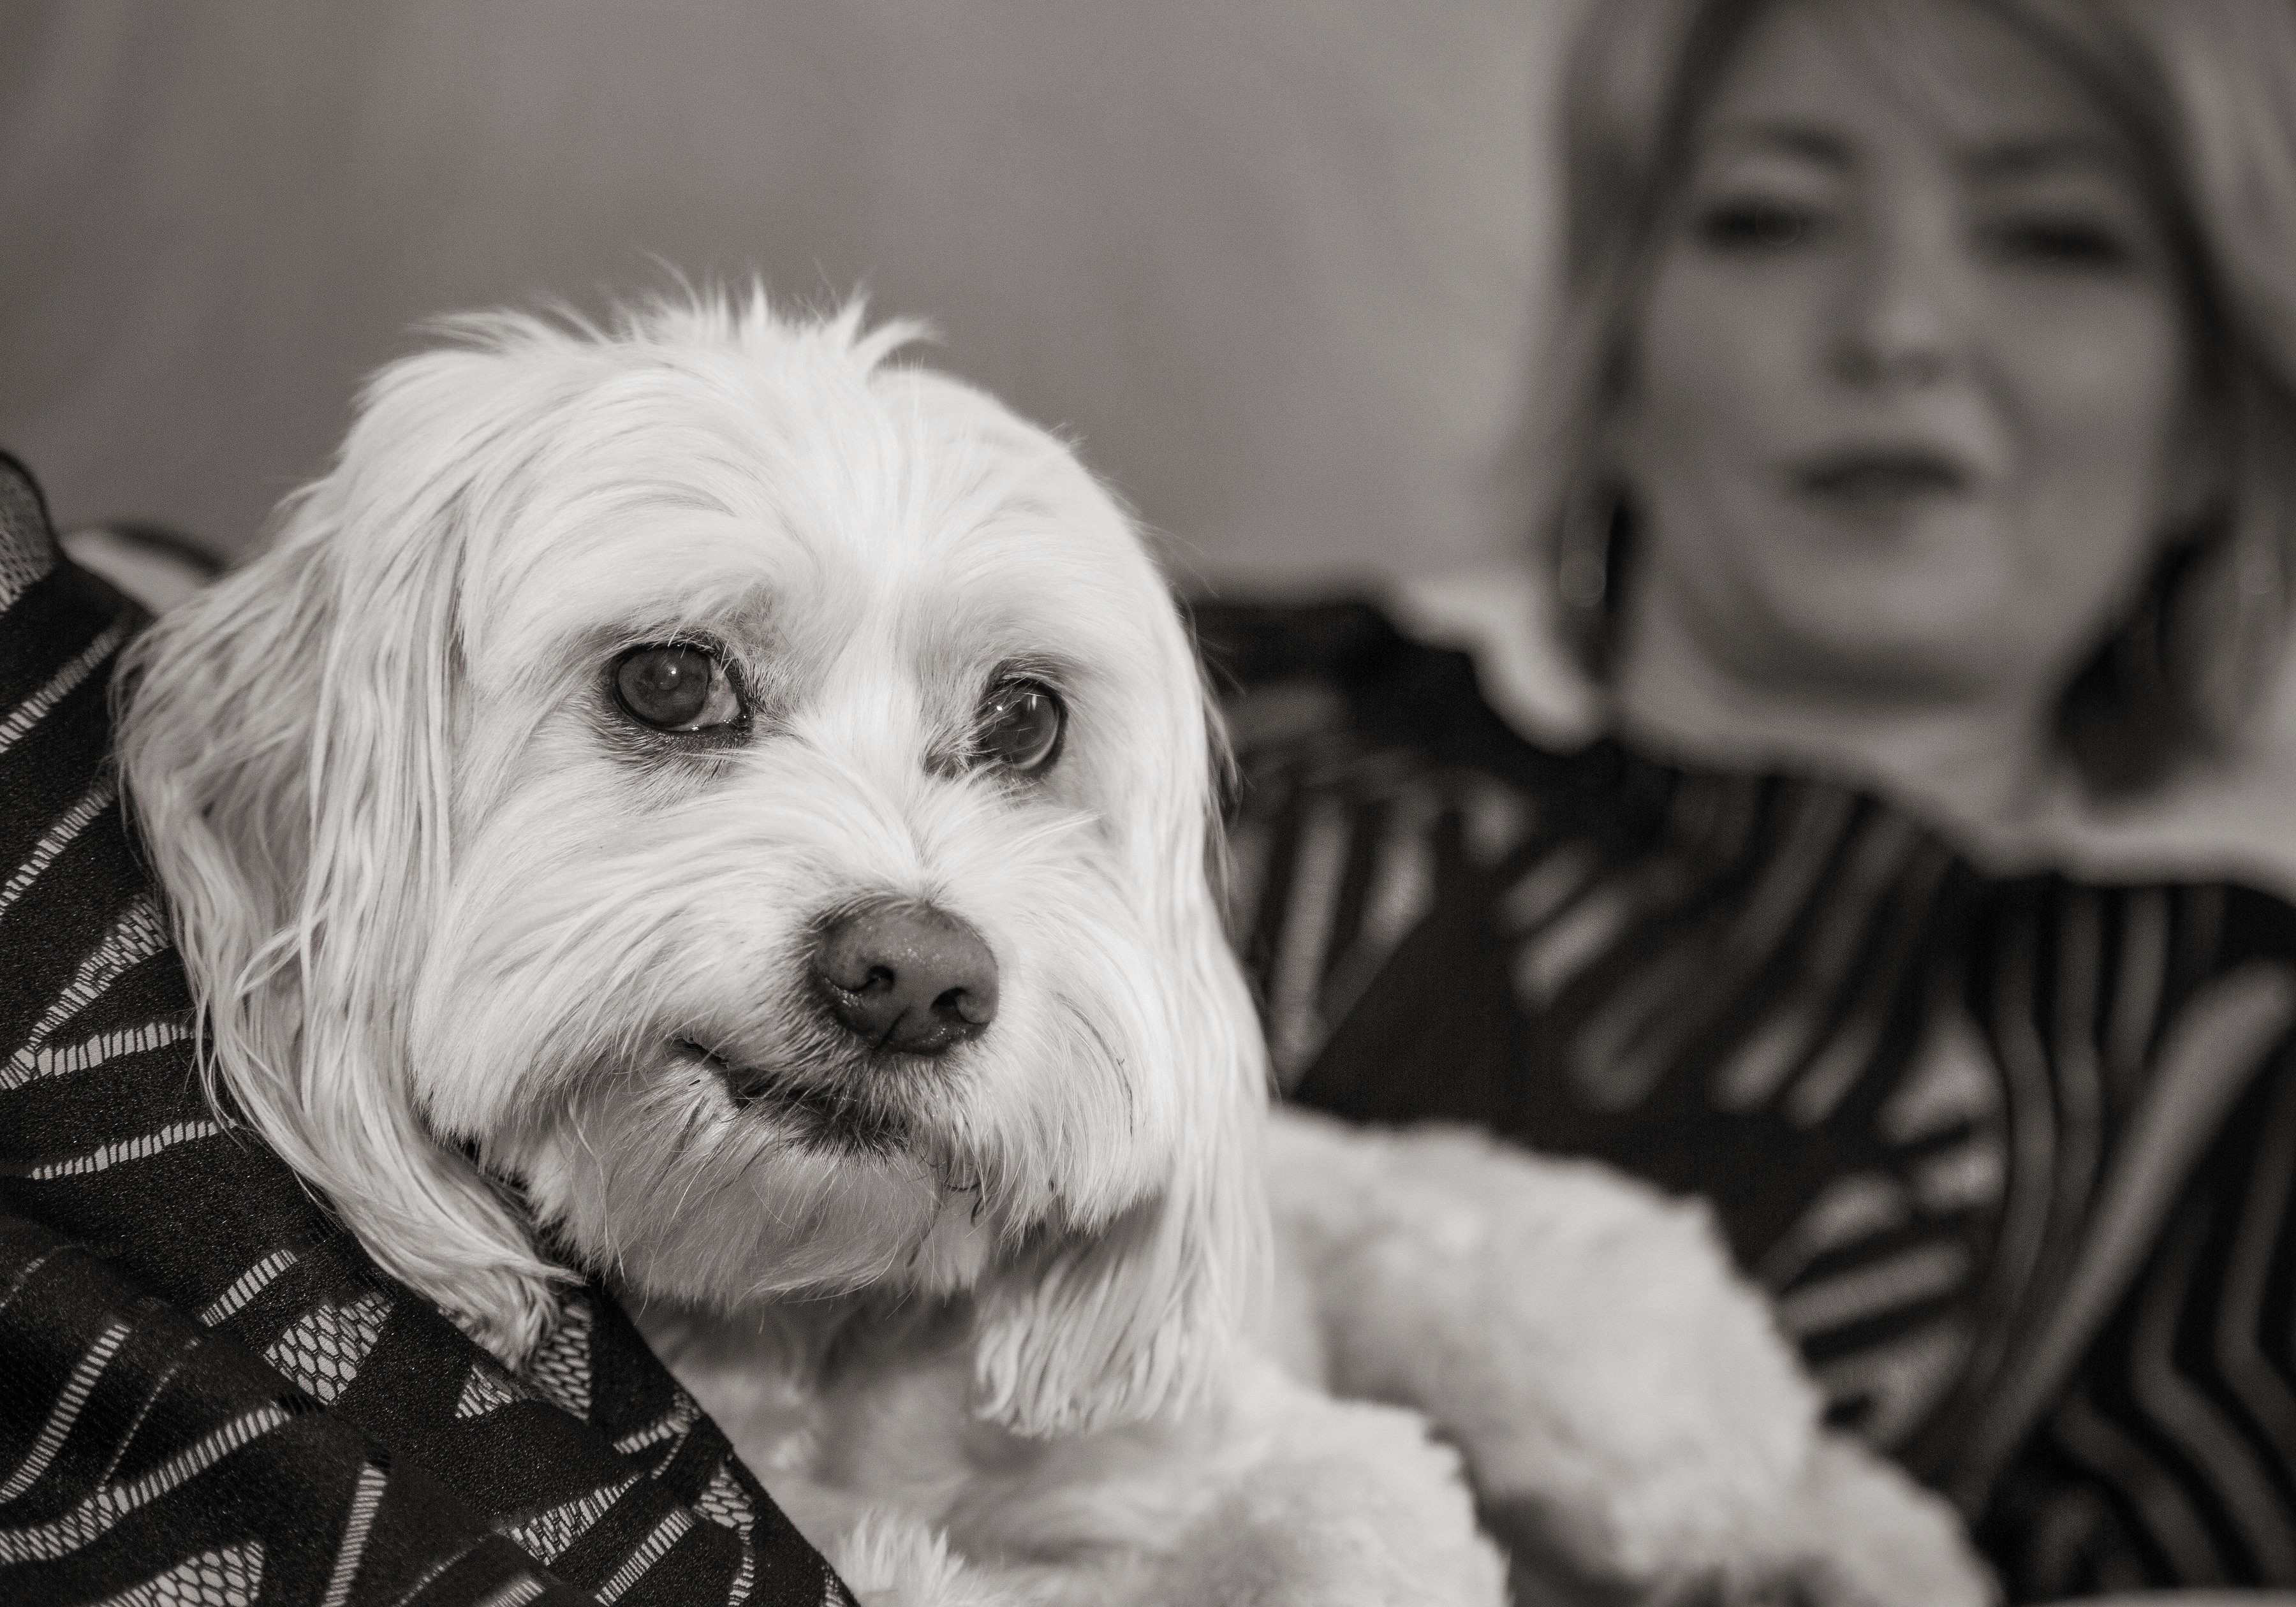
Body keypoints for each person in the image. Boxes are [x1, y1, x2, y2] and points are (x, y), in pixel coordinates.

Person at [1197, 0, 2296, 1598]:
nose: (1897, 329)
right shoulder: (1222, 701)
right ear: (1619, 346)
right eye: (1770, 218)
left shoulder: (2226, 1066)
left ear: (2212, 418)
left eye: (2057, 237)